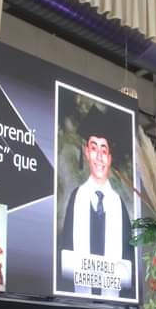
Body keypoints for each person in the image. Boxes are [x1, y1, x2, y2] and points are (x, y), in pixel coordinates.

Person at [59, 104, 134, 298]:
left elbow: (128, 260)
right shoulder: (77, 198)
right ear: (86, 153)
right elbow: (66, 252)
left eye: (104, 150)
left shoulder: (119, 205)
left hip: (114, 307)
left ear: (109, 158)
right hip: (79, 305)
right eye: (94, 149)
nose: (99, 157)